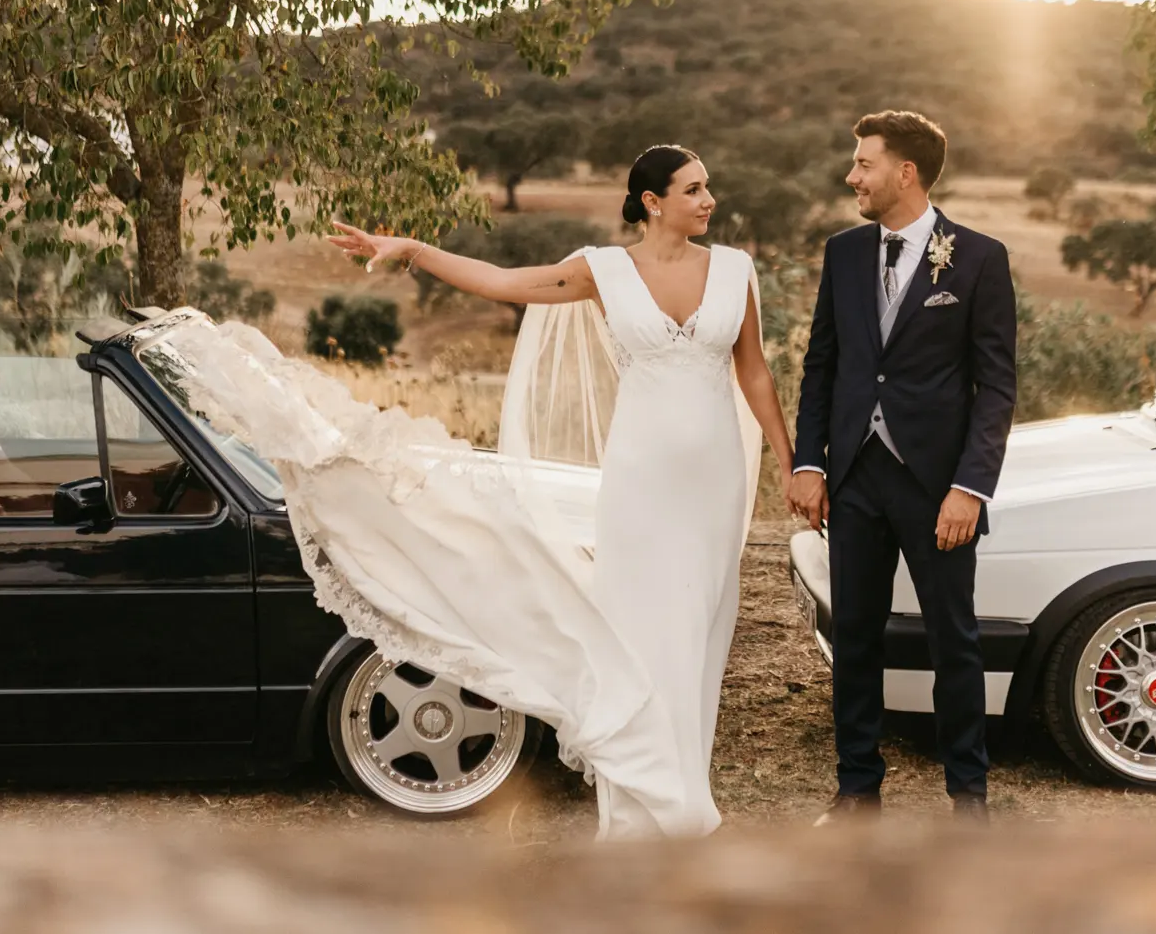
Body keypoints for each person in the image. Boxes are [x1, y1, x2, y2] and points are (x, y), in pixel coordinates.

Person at [324, 145, 793, 835]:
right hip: (639, 484)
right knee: (637, 632)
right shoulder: (602, 270)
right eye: (694, 188)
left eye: (709, 187)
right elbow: (504, 281)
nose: (710, 199)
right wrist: (413, 249)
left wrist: (789, 461)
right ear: (653, 201)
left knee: (696, 631)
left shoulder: (735, 270)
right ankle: (643, 801)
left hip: (714, 482)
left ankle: (685, 784)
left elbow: (753, 373)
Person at [788, 111, 1017, 822]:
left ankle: (968, 796)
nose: (851, 176)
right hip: (855, 475)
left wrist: (970, 487)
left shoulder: (978, 257)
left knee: (956, 640)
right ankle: (857, 788)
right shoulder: (845, 253)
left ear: (905, 172)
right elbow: (822, 365)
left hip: (938, 484)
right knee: (855, 635)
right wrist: (808, 462)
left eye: (864, 163)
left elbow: (997, 385)